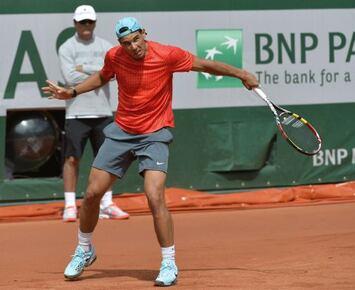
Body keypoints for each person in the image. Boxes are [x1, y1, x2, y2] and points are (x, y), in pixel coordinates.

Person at [43, 16, 258, 286]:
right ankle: (84, 250)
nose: (133, 47)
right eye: (126, 43)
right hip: (121, 132)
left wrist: (242, 74)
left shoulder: (167, 54)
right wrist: (72, 92)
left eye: (136, 39)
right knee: (92, 194)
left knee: (154, 195)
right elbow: (102, 76)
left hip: (154, 134)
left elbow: (206, 64)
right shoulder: (115, 56)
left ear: (144, 34)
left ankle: (169, 262)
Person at [58, 5, 129, 222]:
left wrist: (84, 68)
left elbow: (113, 74)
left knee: (107, 160)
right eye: (82, 22)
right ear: (75, 24)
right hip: (76, 114)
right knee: (72, 158)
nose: (86, 26)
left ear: (95, 23)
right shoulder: (67, 47)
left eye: (90, 22)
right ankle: (70, 205)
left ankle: (107, 203)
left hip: (103, 111)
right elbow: (70, 79)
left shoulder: (107, 46)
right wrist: (98, 71)